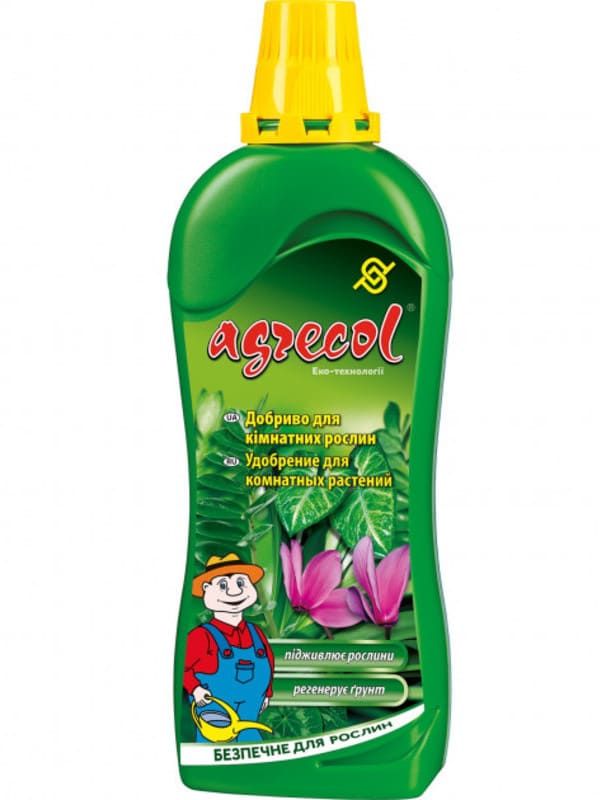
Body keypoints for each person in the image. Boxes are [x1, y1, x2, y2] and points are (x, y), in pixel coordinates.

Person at [183, 553, 274, 743]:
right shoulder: (201, 637)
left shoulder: (256, 633)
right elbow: (181, 667)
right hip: (216, 715)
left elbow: (269, 661)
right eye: (223, 585)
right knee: (217, 745)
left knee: (251, 742)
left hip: (250, 716)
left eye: (241, 583)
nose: (234, 592)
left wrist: (267, 693)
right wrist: (195, 689)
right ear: (207, 590)